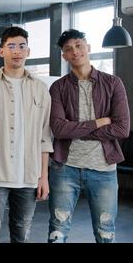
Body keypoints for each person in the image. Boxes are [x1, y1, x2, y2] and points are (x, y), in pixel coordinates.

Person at [48, 29, 130, 243]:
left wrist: (75, 128)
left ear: (88, 47)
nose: (75, 51)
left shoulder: (113, 83)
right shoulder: (58, 88)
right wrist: (98, 122)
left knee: (106, 234)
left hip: (103, 170)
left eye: (78, 45)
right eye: (68, 49)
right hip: (65, 168)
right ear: (63, 55)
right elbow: (58, 129)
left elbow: (122, 128)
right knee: (57, 232)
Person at [0, 26, 53, 243]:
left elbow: (45, 137)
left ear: (28, 51)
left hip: (29, 177)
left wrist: (43, 176)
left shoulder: (41, 89)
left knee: (22, 235)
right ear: (1, 51)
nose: (17, 51)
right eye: (11, 46)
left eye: (21, 46)